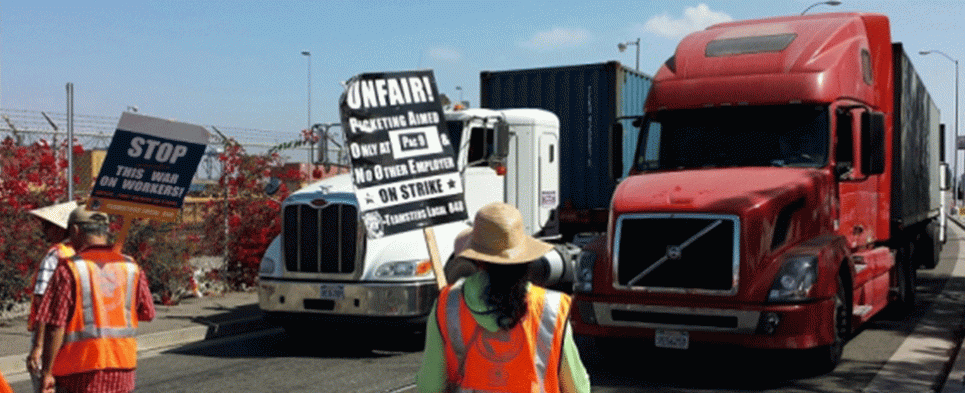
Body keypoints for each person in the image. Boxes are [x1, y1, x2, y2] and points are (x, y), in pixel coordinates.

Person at [417, 202, 591, 393]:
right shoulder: (551, 308)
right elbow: (577, 387)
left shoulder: (447, 305)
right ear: (525, 256)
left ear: (477, 259)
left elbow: (429, 386)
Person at [36, 207, 156, 393]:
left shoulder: (69, 269)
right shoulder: (131, 266)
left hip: (79, 371)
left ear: (75, 231)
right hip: (123, 367)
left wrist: (47, 372)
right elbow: (147, 312)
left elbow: (54, 326)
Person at [25, 201, 78, 392]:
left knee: (46, 385)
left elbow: (42, 303)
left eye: (46, 225)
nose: (44, 230)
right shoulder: (81, 254)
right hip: (76, 335)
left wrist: (38, 346)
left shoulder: (54, 255)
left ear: (59, 229)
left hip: (51, 335)